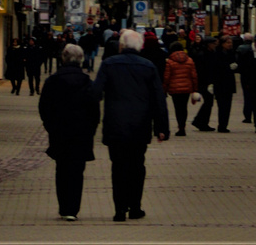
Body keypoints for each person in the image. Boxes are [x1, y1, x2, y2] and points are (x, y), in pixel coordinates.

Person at [93, 28, 169, 222]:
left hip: (115, 124)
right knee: (137, 166)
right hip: (140, 125)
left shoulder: (109, 64)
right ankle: (135, 207)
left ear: (122, 45)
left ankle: (119, 210)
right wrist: (162, 128)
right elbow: (158, 99)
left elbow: (95, 93)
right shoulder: (149, 66)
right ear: (140, 46)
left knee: (118, 167)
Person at [38, 43, 100, 222]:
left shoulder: (53, 81)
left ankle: (64, 207)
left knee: (62, 168)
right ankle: (73, 208)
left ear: (63, 58)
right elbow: (94, 110)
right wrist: (91, 129)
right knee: (77, 170)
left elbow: (44, 107)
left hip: (60, 132)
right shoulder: (87, 82)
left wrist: (50, 126)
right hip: (81, 133)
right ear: (81, 59)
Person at [162, 41, 199, 136]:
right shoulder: (190, 60)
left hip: (175, 89)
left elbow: (167, 77)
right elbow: (194, 76)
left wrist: (164, 89)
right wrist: (195, 89)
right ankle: (183, 126)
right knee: (184, 108)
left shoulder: (170, 62)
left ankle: (180, 127)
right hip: (186, 88)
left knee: (178, 108)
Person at [191, 36, 217, 130]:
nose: (215, 45)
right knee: (208, 102)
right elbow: (201, 70)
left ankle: (201, 121)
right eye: (214, 44)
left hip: (209, 82)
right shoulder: (203, 54)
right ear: (208, 44)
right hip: (204, 82)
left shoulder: (211, 53)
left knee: (208, 102)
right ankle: (200, 122)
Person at [213, 34, 237, 132]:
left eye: (231, 43)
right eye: (227, 43)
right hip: (220, 83)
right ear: (222, 44)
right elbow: (216, 68)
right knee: (221, 105)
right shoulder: (217, 53)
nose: (230, 44)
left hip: (229, 83)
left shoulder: (232, 53)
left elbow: (236, 63)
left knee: (227, 106)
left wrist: (235, 66)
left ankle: (224, 125)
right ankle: (221, 125)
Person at [235, 33, 255, 123]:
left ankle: (247, 116)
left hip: (244, 75)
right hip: (254, 76)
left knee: (247, 96)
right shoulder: (255, 49)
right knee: (255, 96)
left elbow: (237, 61)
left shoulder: (240, 48)